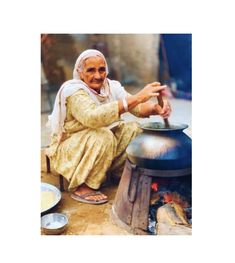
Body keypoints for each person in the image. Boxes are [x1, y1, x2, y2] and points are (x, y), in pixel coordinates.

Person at [46, 49, 171, 204]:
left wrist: (155, 109)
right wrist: (138, 97)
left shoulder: (110, 86)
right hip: (72, 146)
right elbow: (93, 118)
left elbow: (137, 107)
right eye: (90, 70)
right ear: (80, 73)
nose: (97, 76)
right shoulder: (74, 91)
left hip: (98, 141)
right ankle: (84, 186)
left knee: (134, 129)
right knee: (103, 135)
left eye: (101, 69)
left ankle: (119, 173)